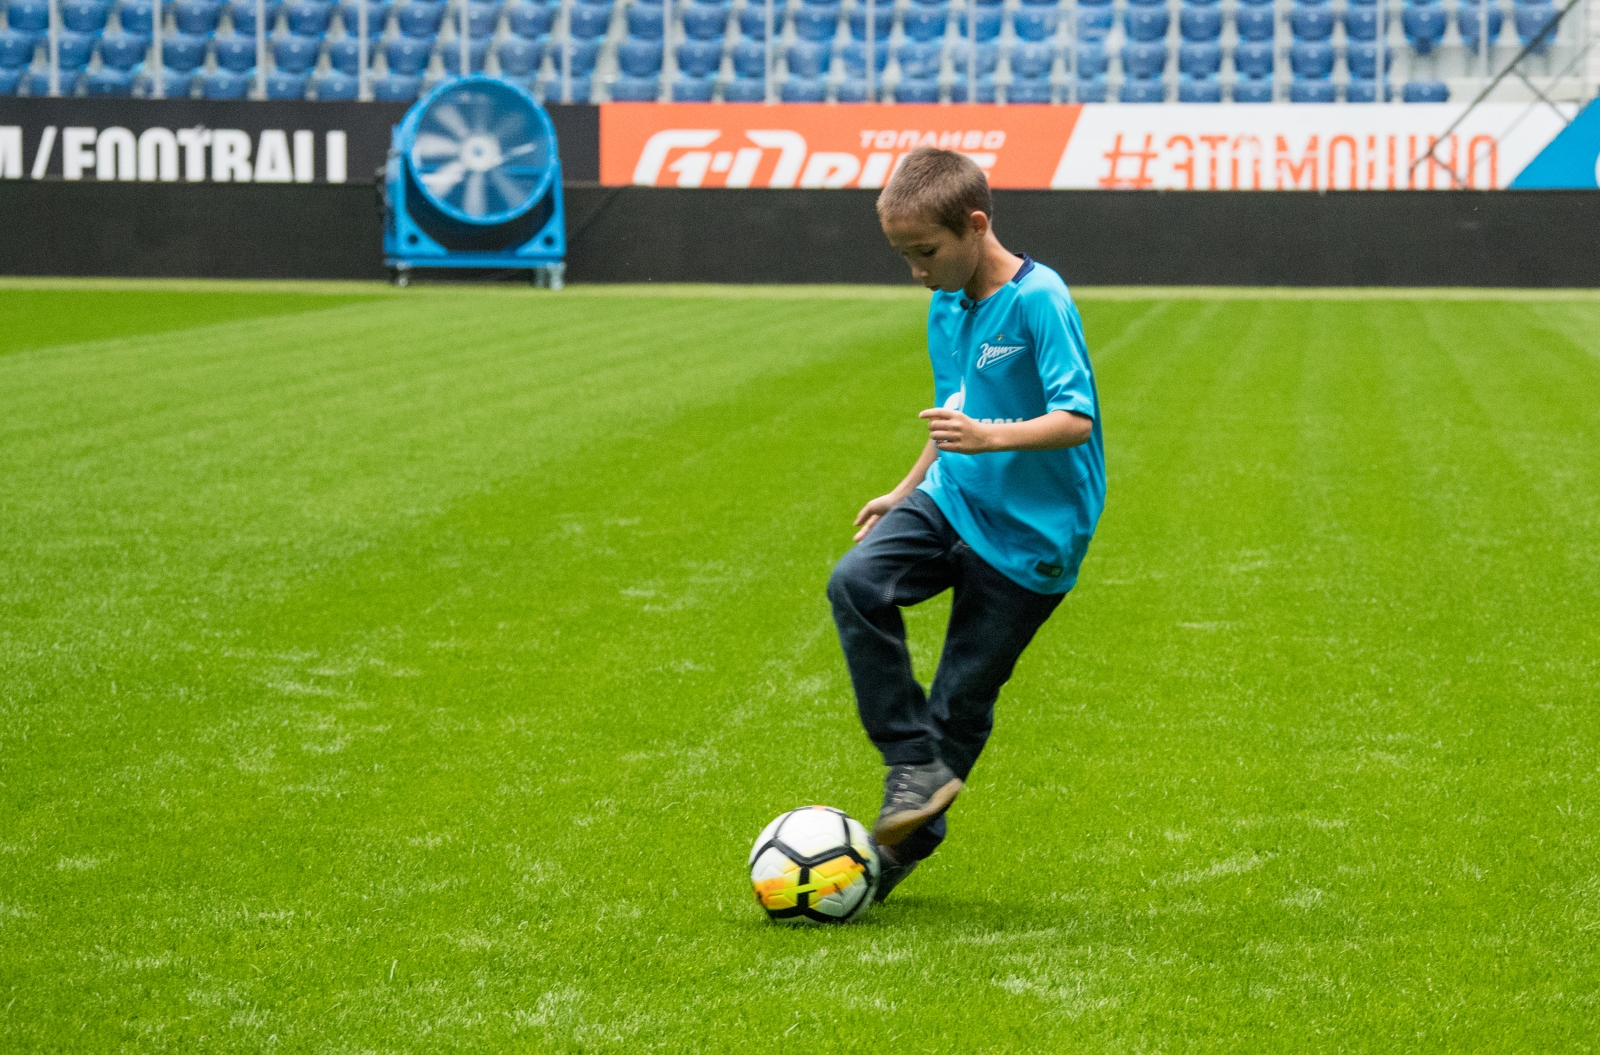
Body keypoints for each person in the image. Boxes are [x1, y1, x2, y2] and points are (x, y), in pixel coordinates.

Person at [826, 147, 1107, 903]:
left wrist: (991, 436)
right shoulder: (946, 305)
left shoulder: (1040, 300)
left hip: (1032, 539)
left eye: (925, 252)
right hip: (952, 496)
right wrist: (903, 487)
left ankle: (888, 861)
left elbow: (1075, 419)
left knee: (961, 702)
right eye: (903, 256)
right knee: (857, 583)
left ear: (975, 224)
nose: (917, 270)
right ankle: (909, 761)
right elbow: (955, 409)